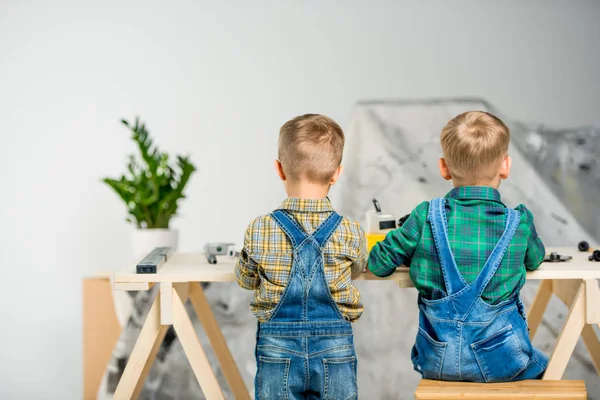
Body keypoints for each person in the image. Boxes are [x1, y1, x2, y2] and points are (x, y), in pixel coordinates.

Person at [369, 111, 548, 382]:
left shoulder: (425, 216)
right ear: (505, 166)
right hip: (504, 364)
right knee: (544, 365)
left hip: (437, 362)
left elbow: (378, 265)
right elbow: (535, 260)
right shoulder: (519, 223)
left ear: (443, 168)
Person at [235, 114, 367, 398]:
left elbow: (245, 280)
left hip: (277, 347)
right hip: (335, 347)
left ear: (279, 170)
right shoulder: (351, 231)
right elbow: (358, 269)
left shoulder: (260, 228)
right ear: (336, 173)